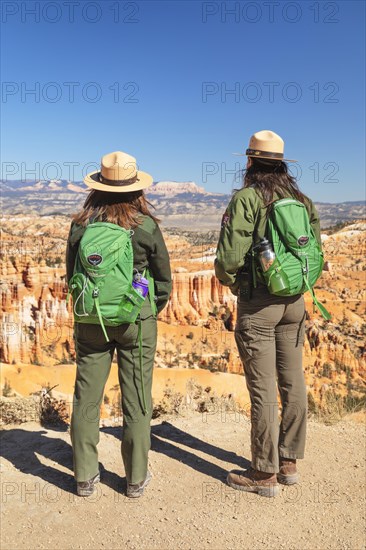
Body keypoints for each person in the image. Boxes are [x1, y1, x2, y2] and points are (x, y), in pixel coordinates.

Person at [215, 130, 322, 497]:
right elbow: (315, 252)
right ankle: (289, 462)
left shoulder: (246, 199)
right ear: (281, 164)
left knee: (263, 389)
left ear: (249, 161)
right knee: (293, 381)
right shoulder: (301, 200)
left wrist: (236, 285)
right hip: (295, 303)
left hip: (259, 304)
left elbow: (228, 258)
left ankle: (264, 473)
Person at [66, 151, 172, 498]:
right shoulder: (144, 226)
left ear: (97, 186)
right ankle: (135, 479)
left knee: (86, 397)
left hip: (91, 318)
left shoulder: (81, 225)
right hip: (135, 321)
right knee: (137, 396)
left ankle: (84, 477)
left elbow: (72, 276)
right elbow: (163, 281)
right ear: (136, 188)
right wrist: (145, 309)